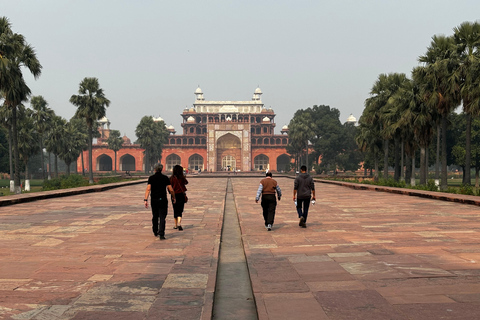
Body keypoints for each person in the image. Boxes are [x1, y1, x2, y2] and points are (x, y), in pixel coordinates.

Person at [144, 163, 176, 240]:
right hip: (163, 200)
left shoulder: (151, 178)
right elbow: (170, 189)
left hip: (154, 200)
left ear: (154, 169)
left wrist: (145, 199)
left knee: (155, 215)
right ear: (161, 169)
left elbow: (148, 189)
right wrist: (173, 197)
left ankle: (155, 230)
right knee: (162, 217)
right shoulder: (165, 178)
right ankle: (161, 233)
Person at [170, 165, 188, 231]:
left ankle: (175, 225)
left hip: (174, 195)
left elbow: (169, 187)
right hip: (181, 195)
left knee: (175, 209)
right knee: (180, 210)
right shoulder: (181, 178)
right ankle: (179, 224)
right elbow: (186, 182)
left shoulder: (171, 178)